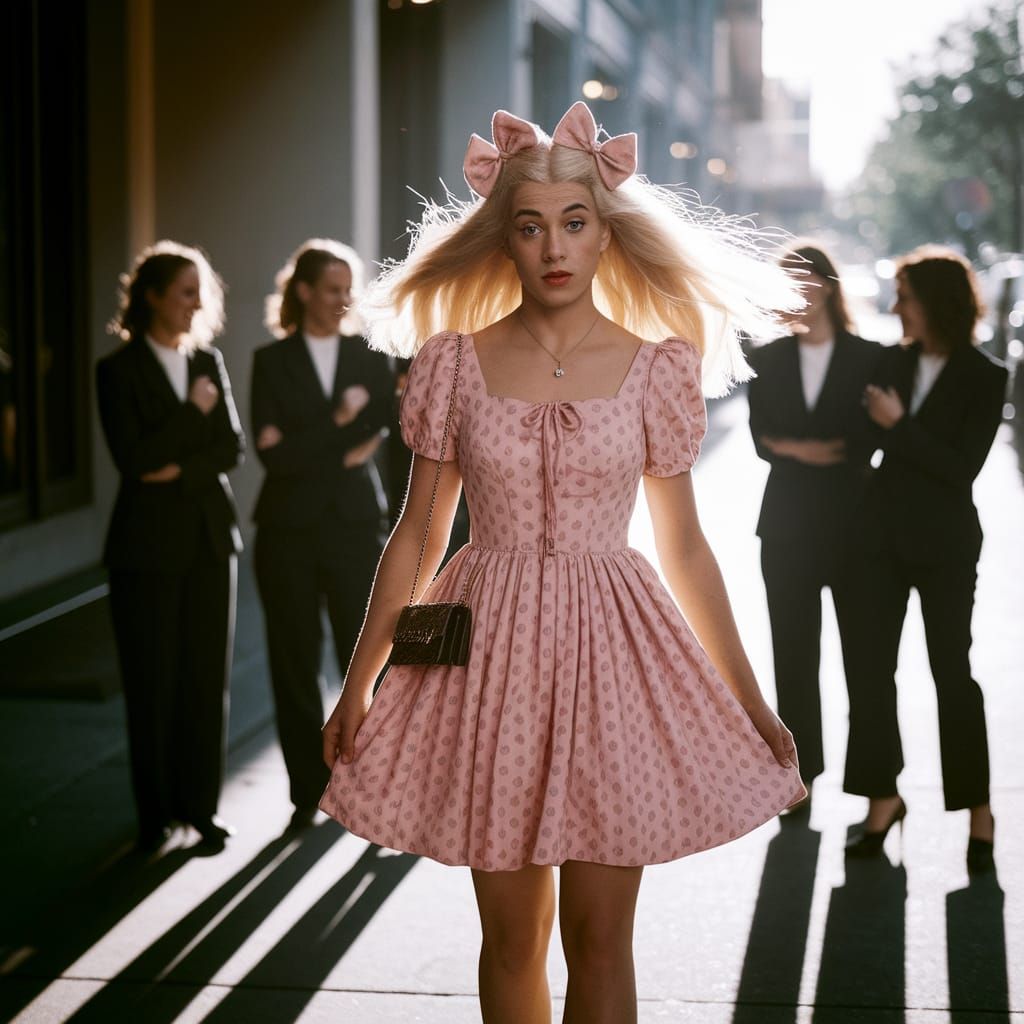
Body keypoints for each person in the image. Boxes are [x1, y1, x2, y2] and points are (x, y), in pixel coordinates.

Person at [319, 103, 805, 1024]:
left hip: (613, 654)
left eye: (574, 224)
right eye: (532, 225)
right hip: (485, 658)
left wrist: (751, 700)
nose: (554, 247)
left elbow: (686, 547)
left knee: (598, 942)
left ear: (603, 233)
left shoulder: (658, 365)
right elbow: (420, 534)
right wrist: (358, 687)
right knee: (510, 941)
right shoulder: (452, 363)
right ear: (503, 237)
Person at [843, 246, 1007, 874]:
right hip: (878, 541)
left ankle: (979, 812)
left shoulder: (987, 375)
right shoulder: (890, 360)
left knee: (952, 678)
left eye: (904, 296)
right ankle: (883, 802)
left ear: (935, 302)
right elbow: (872, 441)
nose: (894, 308)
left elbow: (960, 468)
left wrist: (898, 425)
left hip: (945, 545)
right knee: (870, 673)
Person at [96, 240, 244, 851]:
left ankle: (200, 810)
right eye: (186, 292)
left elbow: (231, 448)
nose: (196, 304)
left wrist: (175, 464)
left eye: (200, 293)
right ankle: (154, 818)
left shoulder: (208, 361)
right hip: (144, 551)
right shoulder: (117, 371)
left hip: (212, 543)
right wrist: (189, 417)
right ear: (152, 297)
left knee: (207, 682)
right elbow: (134, 458)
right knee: (151, 683)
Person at [251, 239, 394, 830]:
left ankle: (374, 791)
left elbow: (386, 423)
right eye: (333, 289)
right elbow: (272, 460)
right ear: (305, 291)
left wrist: (306, 441)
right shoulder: (270, 361)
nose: (343, 300)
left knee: (365, 661)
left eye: (348, 289)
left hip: (355, 525)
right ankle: (305, 795)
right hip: (285, 529)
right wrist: (341, 427)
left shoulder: (368, 355)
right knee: (293, 663)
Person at [747, 243, 881, 810]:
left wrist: (797, 447)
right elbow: (763, 439)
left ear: (828, 286)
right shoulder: (768, 357)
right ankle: (800, 783)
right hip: (785, 529)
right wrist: (815, 448)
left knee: (867, 662)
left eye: (802, 281)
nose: (794, 293)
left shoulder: (871, 357)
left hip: (858, 530)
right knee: (793, 658)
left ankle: (877, 786)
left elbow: (867, 441)